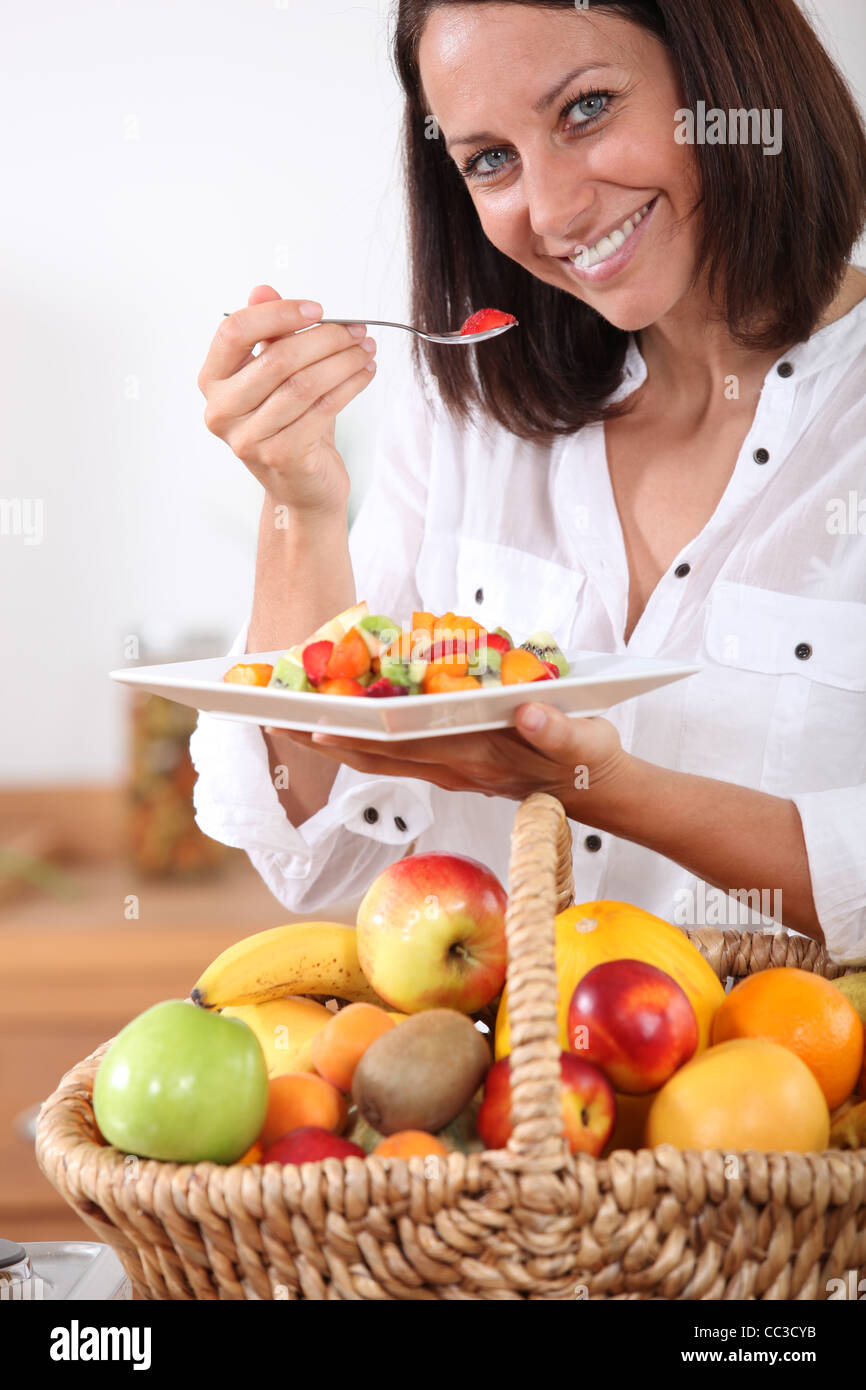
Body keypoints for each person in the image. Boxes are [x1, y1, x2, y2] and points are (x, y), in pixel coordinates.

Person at [191, 0, 866, 964]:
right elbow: (315, 850)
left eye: (587, 108)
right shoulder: (468, 408)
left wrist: (618, 789)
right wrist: (299, 506)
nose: (552, 212)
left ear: (730, 73)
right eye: (490, 160)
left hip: (800, 1093)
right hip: (510, 1103)